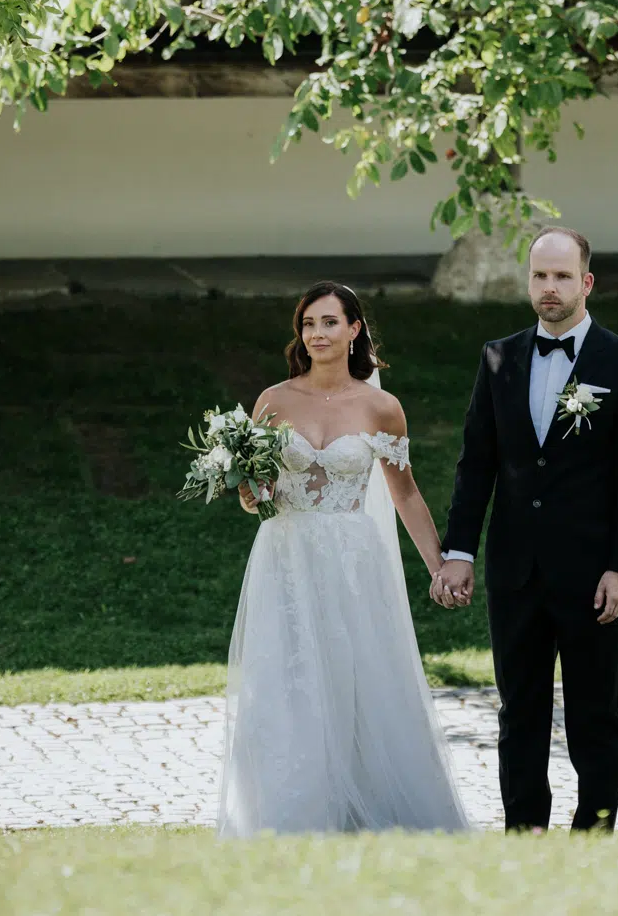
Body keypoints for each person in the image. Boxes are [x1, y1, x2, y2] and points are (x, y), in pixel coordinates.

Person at [217, 279, 468, 836]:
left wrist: (439, 565)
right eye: (308, 324)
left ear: (355, 330)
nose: (318, 334)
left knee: (357, 678)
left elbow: (404, 492)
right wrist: (247, 490)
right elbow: (252, 489)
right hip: (286, 555)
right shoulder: (274, 401)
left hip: (354, 562)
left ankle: (362, 806)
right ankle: (283, 811)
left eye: (330, 322)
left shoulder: (382, 407)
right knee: (286, 675)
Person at [432, 226, 618, 833]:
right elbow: (476, 464)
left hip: (591, 576)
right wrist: (458, 553)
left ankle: (594, 836)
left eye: (561, 276)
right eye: (539, 276)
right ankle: (524, 836)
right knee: (519, 714)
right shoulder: (498, 357)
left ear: (586, 282)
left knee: (596, 716)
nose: (549, 287)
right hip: (516, 574)